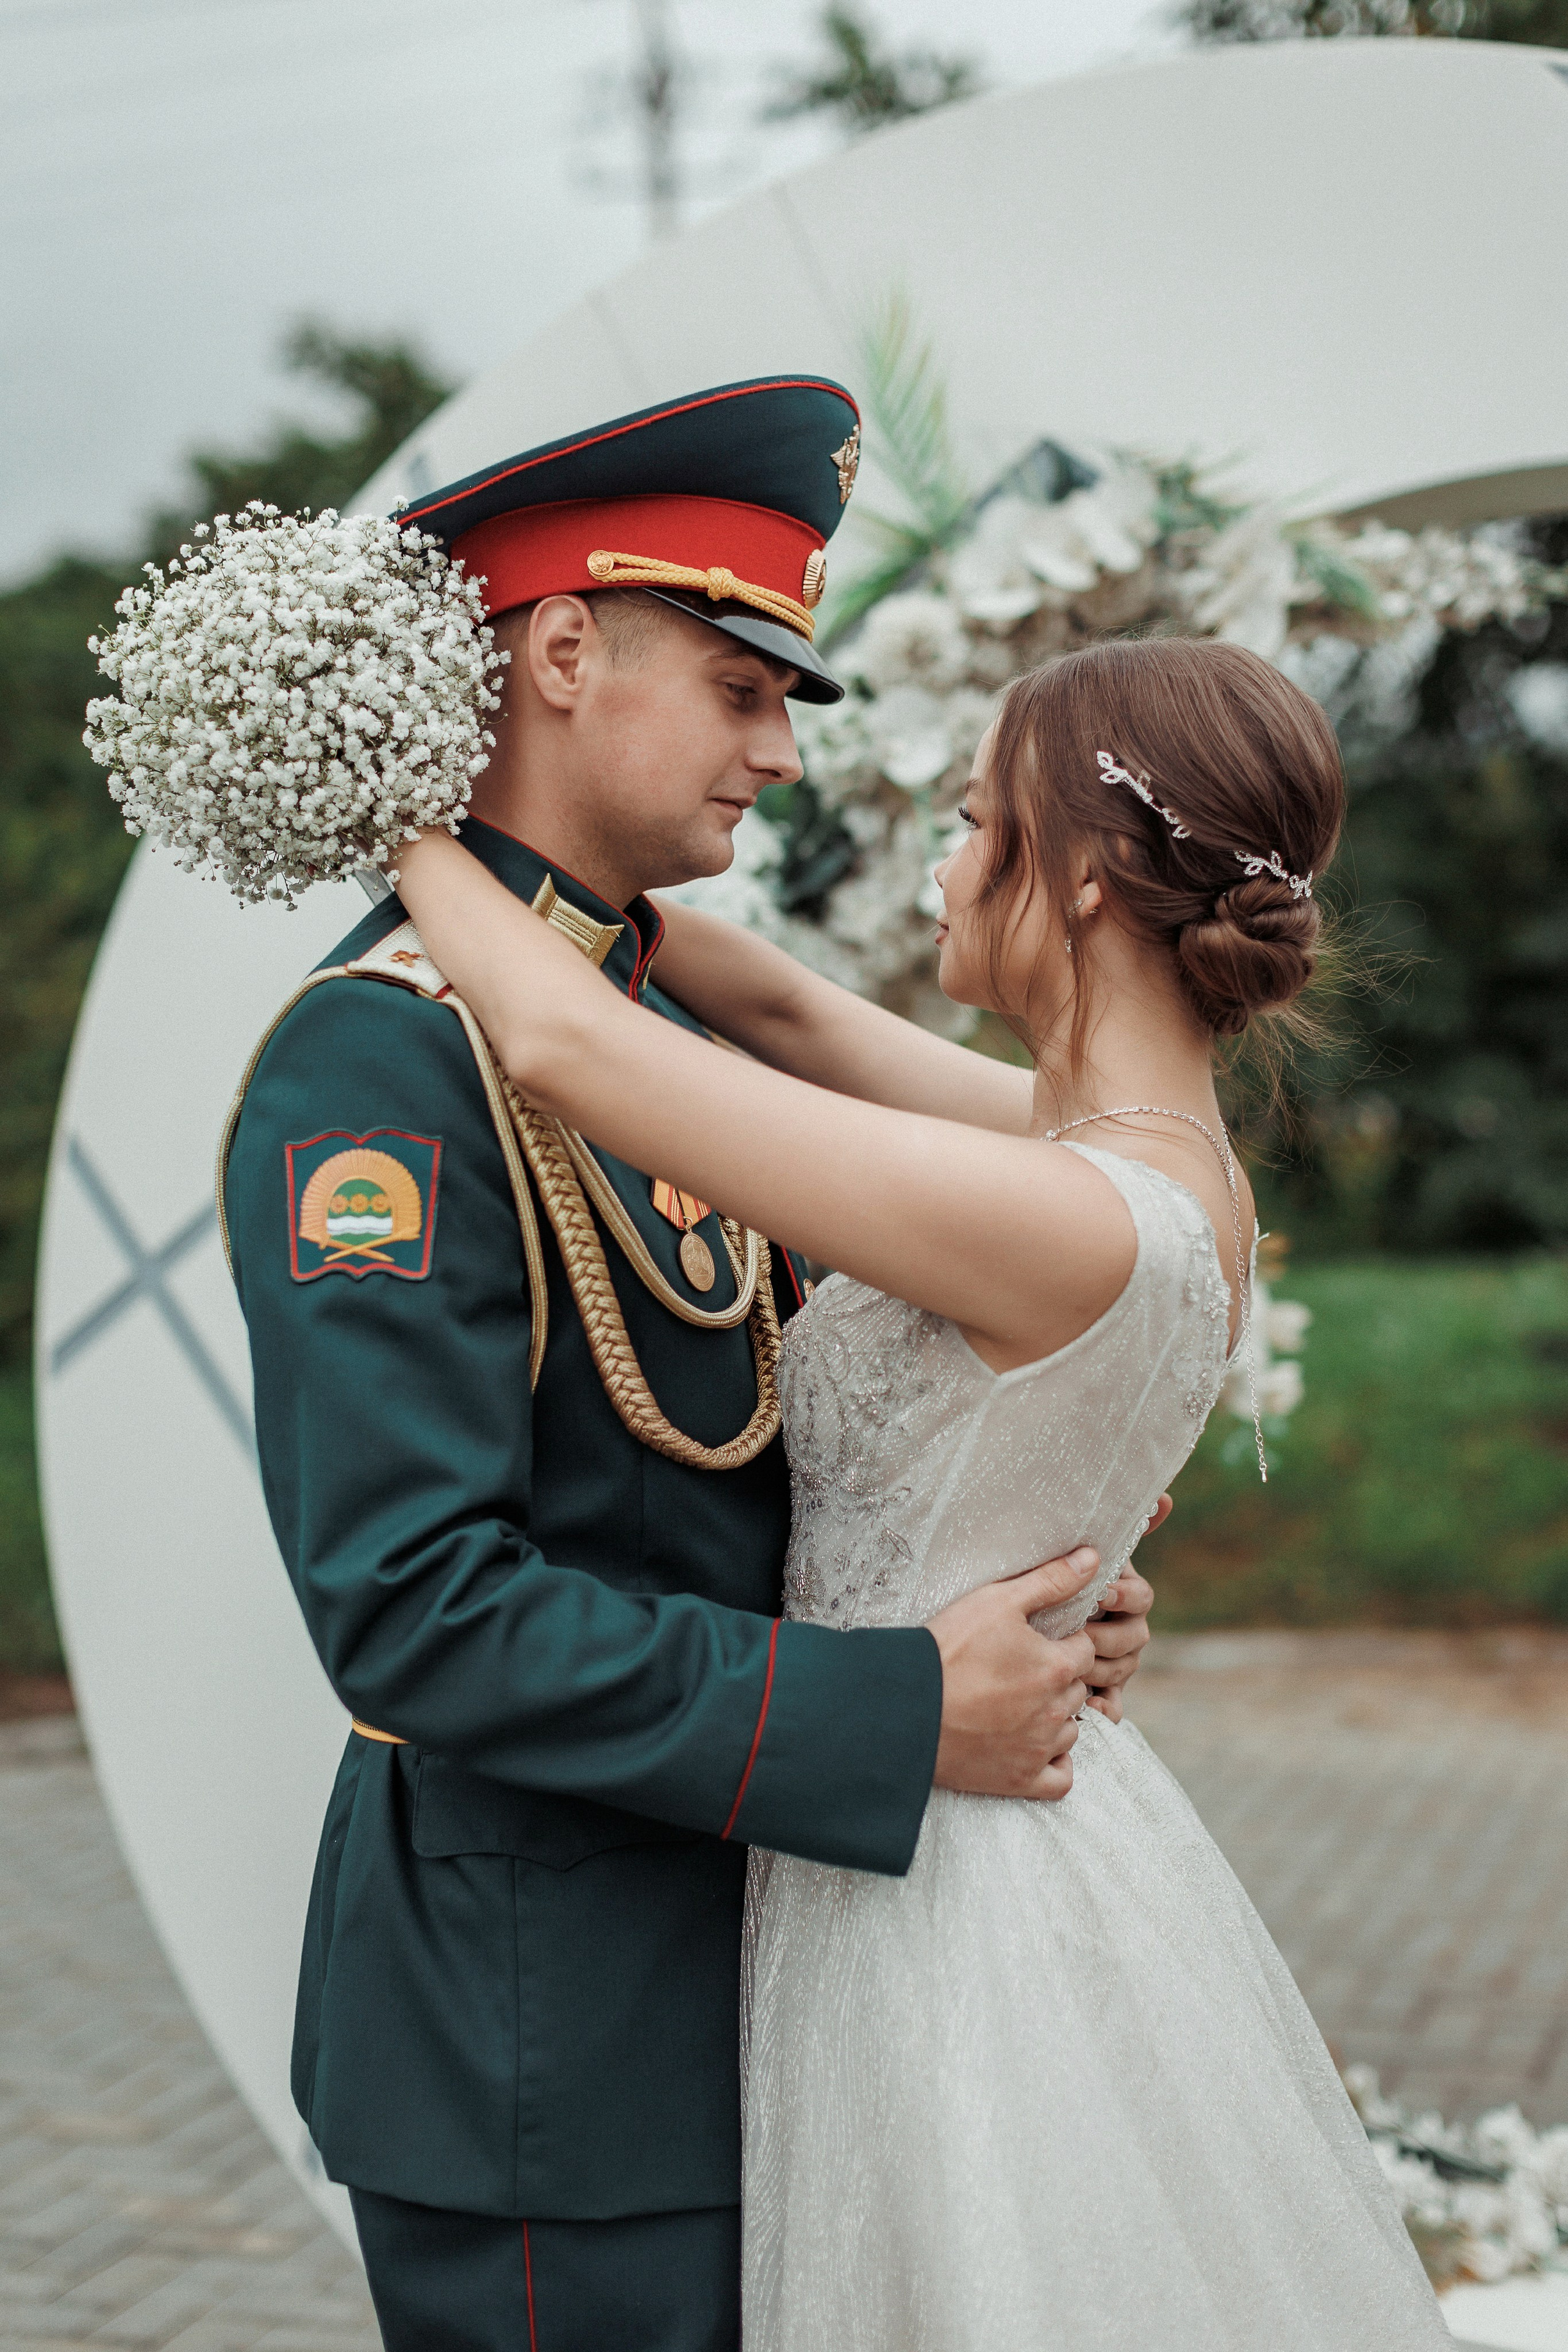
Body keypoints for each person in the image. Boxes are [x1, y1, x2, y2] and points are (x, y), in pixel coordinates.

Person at [217, 378, 1159, 2352]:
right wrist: (904, 1710)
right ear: (562, 650)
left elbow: (745, 1469)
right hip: (552, 2051)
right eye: (742, 687)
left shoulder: (663, 1027)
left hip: (779, 1985)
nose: (776, 756)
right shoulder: (383, 1062)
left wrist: (1001, 1592)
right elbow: (416, 1612)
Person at [391, 629, 1454, 2350]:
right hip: (1014, 1813)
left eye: (973, 823)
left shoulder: (1053, 1210)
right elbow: (792, 1012)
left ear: (1092, 877)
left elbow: (573, 1055)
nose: (944, 864)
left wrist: (389, 811)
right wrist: (586, 878)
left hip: (942, 1882)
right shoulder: (1160, 1168)